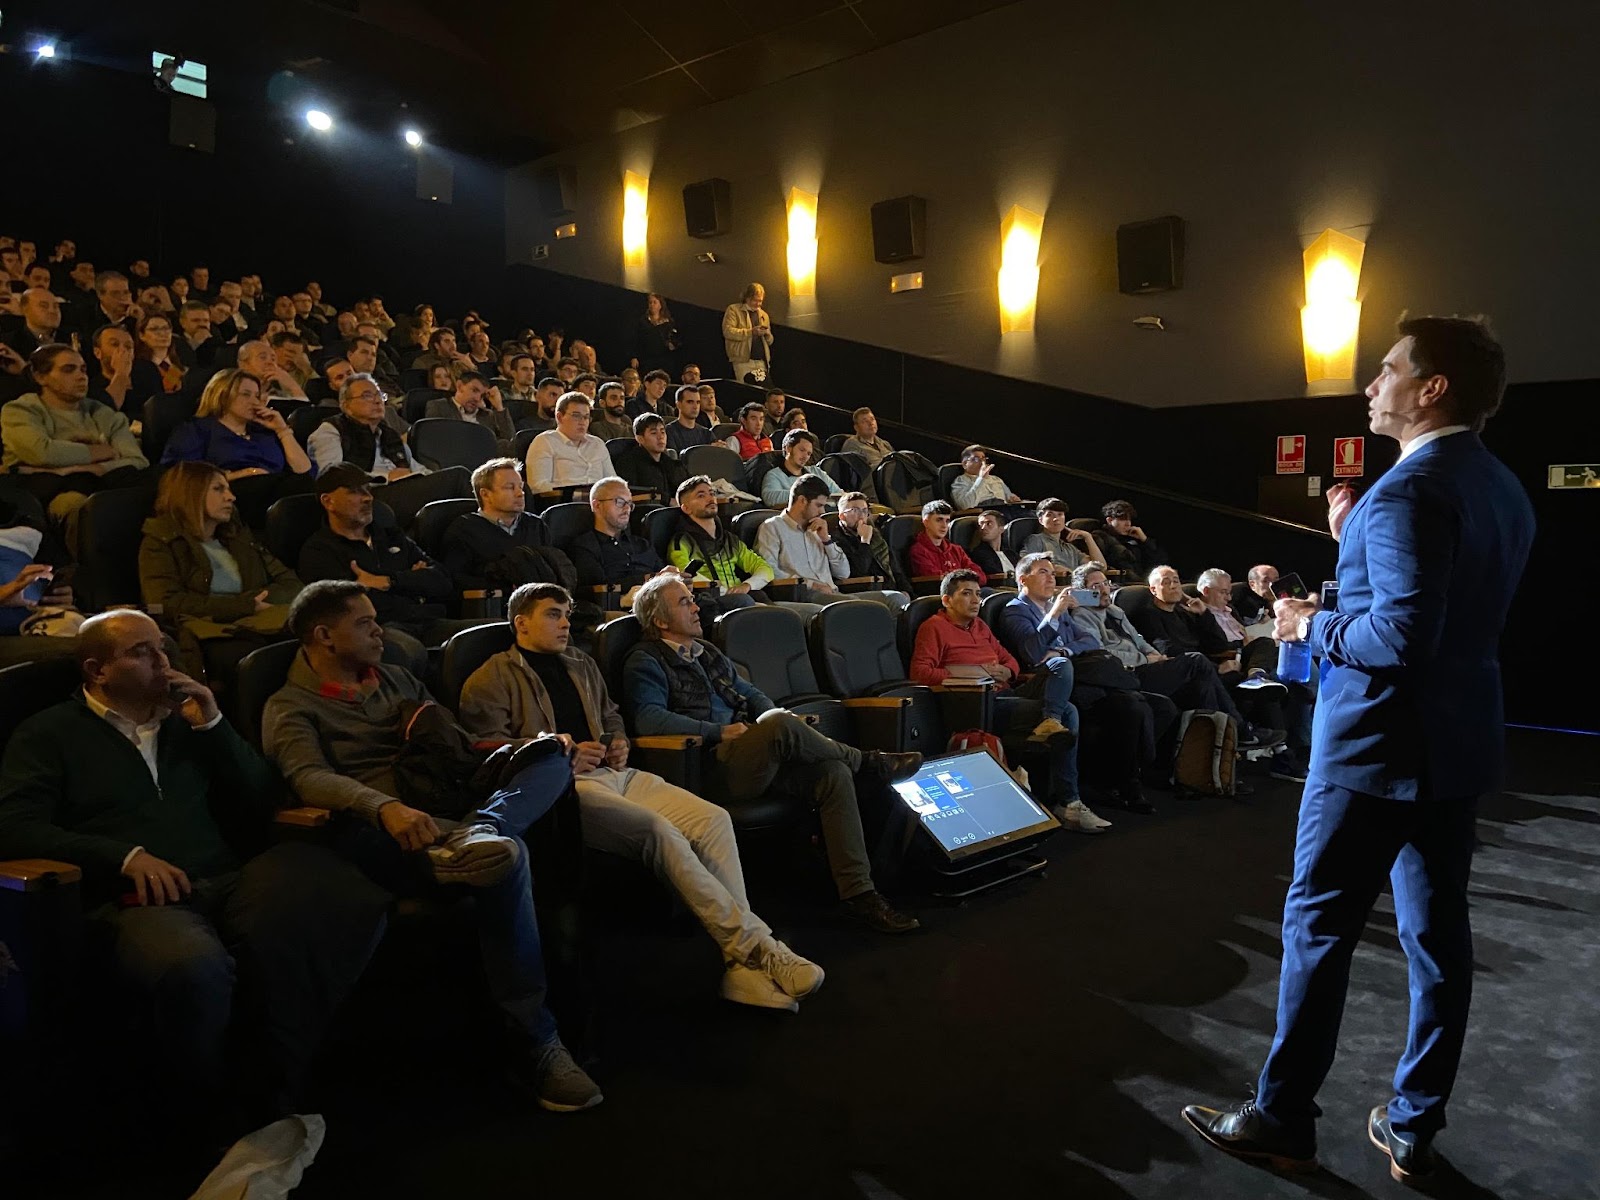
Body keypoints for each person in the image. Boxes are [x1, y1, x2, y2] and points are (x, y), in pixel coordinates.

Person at [1182, 316, 1535, 1182]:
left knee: (1316, 931)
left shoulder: (1409, 491)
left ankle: (1281, 1117)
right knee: (1438, 939)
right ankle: (1414, 1126)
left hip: (1374, 749)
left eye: (1387, 370)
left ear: (1432, 388)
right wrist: (1354, 548)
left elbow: (1403, 635)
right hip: (1455, 747)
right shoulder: (1502, 488)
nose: (1371, 385)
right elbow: (1441, 612)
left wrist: (1312, 621)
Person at [0, 609, 387, 1139]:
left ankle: (275, 1079)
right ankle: (203, 1114)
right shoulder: (48, 734)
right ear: (96, 671)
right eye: (141, 652)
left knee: (340, 898)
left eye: (163, 648)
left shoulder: (187, 725)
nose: (163, 662)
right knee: (192, 969)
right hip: (132, 898)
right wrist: (123, 856)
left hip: (226, 876)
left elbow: (265, 798)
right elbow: (15, 827)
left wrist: (213, 723)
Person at [262, 581, 601, 1112]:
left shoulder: (396, 678)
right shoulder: (290, 705)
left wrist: (523, 748)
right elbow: (307, 778)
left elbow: (457, 746)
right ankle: (536, 1043)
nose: (382, 631)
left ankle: (484, 829)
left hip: (451, 804)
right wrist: (383, 807)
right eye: (366, 624)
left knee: (550, 759)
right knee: (509, 861)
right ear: (325, 636)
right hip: (385, 831)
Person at [458, 582, 824, 1011]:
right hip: (563, 790)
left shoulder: (579, 663)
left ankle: (740, 970)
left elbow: (611, 715)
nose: (565, 624)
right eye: (553, 614)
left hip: (618, 774)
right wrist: (556, 753)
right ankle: (760, 949)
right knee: (659, 831)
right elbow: (490, 754)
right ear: (521, 622)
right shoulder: (491, 676)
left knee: (713, 821)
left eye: (568, 615)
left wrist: (616, 740)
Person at [624, 574, 922, 933]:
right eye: (684, 602)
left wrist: (769, 720)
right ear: (659, 620)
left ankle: (859, 894)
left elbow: (750, 693)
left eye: (692, 598)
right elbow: (648, 719)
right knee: (784, 726)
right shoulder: (645, 659)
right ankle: (866, 762)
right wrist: (719, 731)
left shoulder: (708, 653)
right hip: (706, 766)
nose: (696, 606)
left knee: (831, 773)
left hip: (751, 755)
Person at [909, 569, 1107, 833]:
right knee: (1069, 711)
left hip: (1007, 690)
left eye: (978, 594)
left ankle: (1051, 721)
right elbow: (920, 672)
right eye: (966, 594)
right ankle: (1069, 803)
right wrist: (972, 673)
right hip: (979, 703)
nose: (975, 600)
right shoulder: (933, 627)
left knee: (1060, 664)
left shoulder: (980, 626)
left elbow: (1010, 660)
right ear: (947, 600)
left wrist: (1008, 671)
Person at [997, 554, 1173, 814]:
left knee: (1157, 706)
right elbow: (1033, 653)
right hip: (1054, 683)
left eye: (1051, 572)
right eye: (1043, 572)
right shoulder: (1015, 610)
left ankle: (1124, 780)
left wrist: (1064, 650)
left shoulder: (1058, 608)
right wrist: (1056, 614)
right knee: (1130, 703)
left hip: (1084, 675)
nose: (1051, 577)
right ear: (1023, 580)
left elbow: (1089, 642)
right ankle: (1128, 785)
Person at [1066, 562, 1277, 753]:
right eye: (1095, 587)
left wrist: (1154, 655)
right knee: (1196, 661)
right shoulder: (1083, 615)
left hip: (1150, 666)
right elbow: (1102, 653)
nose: (1103, 589)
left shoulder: (1115, 610)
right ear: (1081, 592)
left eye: (1105, 583)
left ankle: (1216, 760)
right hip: (1126, 674)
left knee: (1202, 687)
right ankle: (1241, 731)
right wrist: (1147, 659)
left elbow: (1139, 640)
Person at [138, 462, 301, 686]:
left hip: (260, 621)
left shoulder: (237, 536)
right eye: (218, 489)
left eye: (228, 489)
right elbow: (165, 602)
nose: (231, 497)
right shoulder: (162, 541)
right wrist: (244, 605)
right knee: (252, 659)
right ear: (191, 494)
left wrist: (257, 603)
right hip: (210, 634)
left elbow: (290, 582)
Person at [295, 465, 470, 666]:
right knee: (411, 653)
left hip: (429, 622)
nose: (368, 497)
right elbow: (349, 610)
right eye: (354, 491)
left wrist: (388, 581)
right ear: (328, 501)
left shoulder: (389, 535)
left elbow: (442, 581)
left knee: (495, 633)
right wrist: (414, 583)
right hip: (380, 631)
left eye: (367, 489)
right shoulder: (319, 552)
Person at [1131, 565, 1289, 746]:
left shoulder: (1184, 612)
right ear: (1153, 589)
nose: (1174, 586)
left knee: (1264, 644)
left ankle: (1256, 676)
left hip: (1207, 662)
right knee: (1227, 683)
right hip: (1189, 670)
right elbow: (1167, 650)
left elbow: (1218, 644)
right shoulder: (1148, 615)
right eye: (1166, 583)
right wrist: (1217, 667)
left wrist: (1204, 614)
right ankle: (1244, 733)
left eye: (1176, 581)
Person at [0, 344, 150, 519]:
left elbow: (138, 461)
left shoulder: (101, 412)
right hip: (44, 494)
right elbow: (42, 452)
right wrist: (100, 452)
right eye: (68, 370)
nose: (81, 376)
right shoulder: (21, 409)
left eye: (83, 369)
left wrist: (86, 468)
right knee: (75, 504)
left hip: (103, 485)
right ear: (41, 377)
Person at [161, 368, 315, 527]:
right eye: (246, 394)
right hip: (232, 494)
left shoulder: (265, 432)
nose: (255, 402)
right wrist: (244, 473)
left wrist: (282, 430)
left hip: (277, 493)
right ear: (222, 395)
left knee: (305, 490)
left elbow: (304, 471)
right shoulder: (196, 430)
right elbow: (184, 476)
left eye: (257, 396)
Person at [756, 476, 907, 610]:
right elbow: (768, 570)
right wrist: (810, 584)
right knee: (855, 605)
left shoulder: (818, 528)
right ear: (802, 501)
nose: (822, 511)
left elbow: (843, 573)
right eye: (819, 505)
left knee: (894, 598)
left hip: (834, 593)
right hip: (802, 594)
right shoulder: (772, 527)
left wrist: (826, 540)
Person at [439, 458, 576, 594]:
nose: (520, 493)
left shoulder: (535, 524)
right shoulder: (464, 529)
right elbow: (456, 580)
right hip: (493, 606)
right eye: (509, 487)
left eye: (521, 487)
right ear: (485, 494)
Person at [306, 372, 429, 483]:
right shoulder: (331, 430)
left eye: (380, 395)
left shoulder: (389, 434)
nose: (377, 401)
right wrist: (387, 478)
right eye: (367, 395)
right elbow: (333, 477)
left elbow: (418, 469)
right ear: (346, 406)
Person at [666, 475, 775, 595]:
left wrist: (747, 585)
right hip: (711, 600)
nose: (710, 498)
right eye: (701, 496)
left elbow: (765, 569)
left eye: (712, 493)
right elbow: (685, 577)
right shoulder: (681, 542)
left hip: (742, 598)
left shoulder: (729, 539)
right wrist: (727, 592)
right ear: (686, 508)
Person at [525, 392, 615, 494]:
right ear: (559, 417)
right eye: (576, 416)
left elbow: (612, 481)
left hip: (601, 504)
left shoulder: (597, 443)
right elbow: (538, 486)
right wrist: (576, 495)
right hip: (564, 504)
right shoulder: (544, 442)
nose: (582, 422)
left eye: (586, 417)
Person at [834, 491, 907, 592]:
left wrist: (907, 591)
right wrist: (864, 541)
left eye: (864, 511)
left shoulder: (875, 536)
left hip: (889, 588)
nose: (861, 516)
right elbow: (859, 571)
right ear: (842, 516)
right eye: (855, 510)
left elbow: (895, 569)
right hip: (864, 590)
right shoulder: (837, 539)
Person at [422, 370, 515, 448]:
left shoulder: (487, 415)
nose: (477, 399)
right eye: (474, 390)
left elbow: (511, 441)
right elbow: (435, 440)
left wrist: (499, 407)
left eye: (482, 395)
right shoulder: (438, 406)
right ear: (459, 386)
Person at [86, 323, 163, 416]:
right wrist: (121, 373)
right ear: (98, 352)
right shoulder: (91, 387)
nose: (123, 350)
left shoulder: (147, 371)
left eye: (128, 346)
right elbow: (105, 414)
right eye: (115, 344)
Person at [611, 413, 689, 500]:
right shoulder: (627, 462)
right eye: (654, 433)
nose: (660, 437)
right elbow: (625, 496)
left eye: (663, 432)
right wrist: (665, 500)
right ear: (640, 438)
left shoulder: (671, 463)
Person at [906, 500, 985, 585]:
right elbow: (938, 582)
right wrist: (966, 576)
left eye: (947, 521)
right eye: (939, 520)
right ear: (926, 522)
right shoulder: (918, 550)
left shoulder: (956, 549)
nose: (944, 526)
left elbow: (981, 576)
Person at [1020, 498, 1105, 576]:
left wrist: (1088, 537)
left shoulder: (1070, 548)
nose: (1056, 519)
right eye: (1049, 515)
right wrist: (1054, 568)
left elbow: (1101, 567)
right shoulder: (1036, 540)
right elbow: (1026, 564)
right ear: (1041, 520)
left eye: (1060, 514)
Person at [760, 429, 841, 509]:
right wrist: (810, 494)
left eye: (809, 454)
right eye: (802, 450)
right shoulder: (774, 475)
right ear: (788, 448)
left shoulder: (816, 471)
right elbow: (770, 498)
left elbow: (839, 494)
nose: (805, 457)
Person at [1096, 500, 1166, 580]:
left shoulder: (1132, 540)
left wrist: (1145, 540)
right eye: (1122, 519)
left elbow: (1159, 563)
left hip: (1142, 583)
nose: (1128, 523)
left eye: (1129, 519)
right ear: (1109, 520)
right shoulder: (1100, 538)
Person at [949, 445, 1025, 512]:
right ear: (965, 464)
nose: (982, 463)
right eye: (976, 459)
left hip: (1006, 510)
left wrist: (1014, 499)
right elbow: (965, 505)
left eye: (983, 459)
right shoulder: (960, 481)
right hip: (986, 515)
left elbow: (1009, 497)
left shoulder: (996, 479)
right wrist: (981, 479)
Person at [722, 282, 773, 382]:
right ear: (747, 297)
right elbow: (728, 332)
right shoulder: (734, 310)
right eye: (755, 300)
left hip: (761, 361)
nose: (758, 304)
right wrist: (751, 332)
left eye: (760, 301)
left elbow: (770, 341)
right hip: (743, 361)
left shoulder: (764, 315)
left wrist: (767, 334)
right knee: (746, 390)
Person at [633, 292, 679, 376]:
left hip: (663, 359)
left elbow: (674, 339)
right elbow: (636, 340)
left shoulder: (668, 323)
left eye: (655, 302)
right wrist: (634, 357)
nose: (652, 305)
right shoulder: (642, 321)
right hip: (646, 359)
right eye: (650, 302)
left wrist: (672, 344)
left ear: (661, 304)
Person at [968, 509, 1016, 580]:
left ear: (1001, 529)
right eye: (980, 524)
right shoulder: (979, 554)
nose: (983, 528)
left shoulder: (1010, 553)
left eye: (989, 524)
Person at [666, 385, 713, 455]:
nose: (695, 407)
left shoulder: (706, 433)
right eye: (690, 402)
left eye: (698, 402)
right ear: (678, 404)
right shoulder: (668, 432)